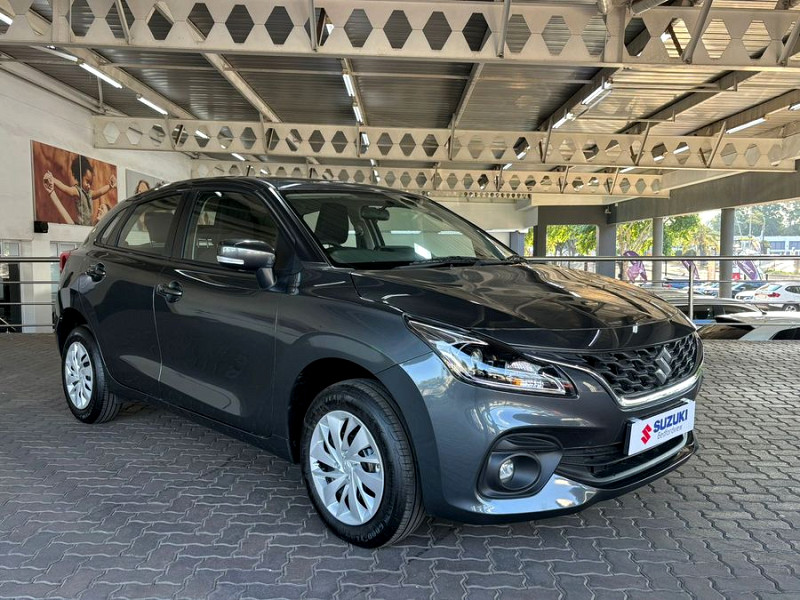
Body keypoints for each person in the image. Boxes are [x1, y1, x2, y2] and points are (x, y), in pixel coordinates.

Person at [43, 155, 116, 226]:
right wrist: (53, 180)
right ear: (80, 177)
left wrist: (110, 186)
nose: (89, 185)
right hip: (80, 225)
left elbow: (100, 192)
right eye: (87, 182)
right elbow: (65, 188)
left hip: (88, 225)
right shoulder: (76, 191)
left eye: (90, 183)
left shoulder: (90, 193)